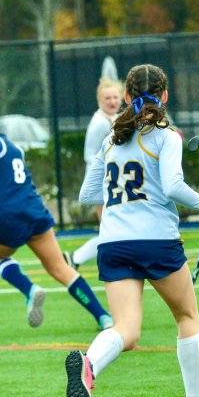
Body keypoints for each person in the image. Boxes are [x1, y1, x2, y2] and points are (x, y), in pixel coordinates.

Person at [64, 64, 199, 397]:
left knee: (127, 330)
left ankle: (90, 363)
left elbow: (88, 193)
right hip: (156, 241)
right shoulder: (166, 136)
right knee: (187, 317)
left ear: (125, 96)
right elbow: (171, 187)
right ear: (166, 96)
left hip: (113, 244)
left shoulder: (111, 138)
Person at [0, 108, 113, 330]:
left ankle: (29, 289)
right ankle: (103, 317)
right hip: (34, 211)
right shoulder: (12, 148)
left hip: (7, 216)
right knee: (60, 268)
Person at [63, 76, 123, 270]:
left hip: (113, 182)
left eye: (115, 97)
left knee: (114, 230)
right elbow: (90, 155)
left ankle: (75, 258)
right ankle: (76, 258)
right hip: (102, 183)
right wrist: (103, 181)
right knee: (109, 230)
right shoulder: (99, 123)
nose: (112, 101)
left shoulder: (114, 119)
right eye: (108, 98)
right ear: (100, 100)